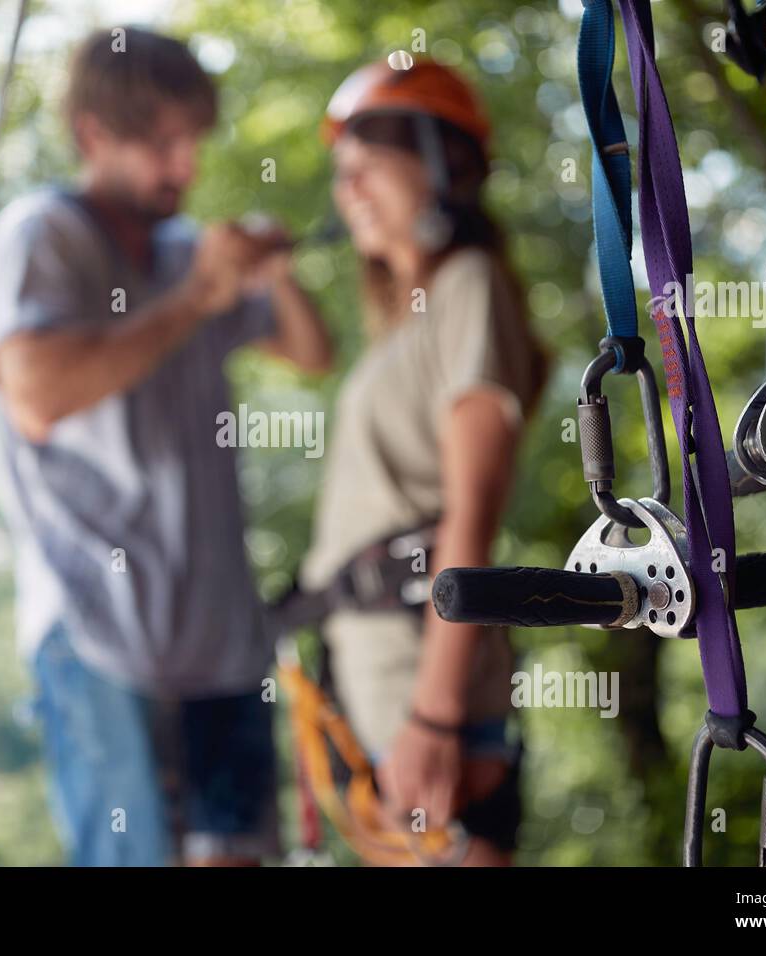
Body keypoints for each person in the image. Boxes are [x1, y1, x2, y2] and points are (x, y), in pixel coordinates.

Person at [0, 26, 332, 867]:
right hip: (99, 633)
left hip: (222, 637)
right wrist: (197, 299)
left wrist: (271, 269)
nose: (186, 168)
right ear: (93, 135)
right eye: (164, 144)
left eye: (193, 144)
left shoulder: (183, 249)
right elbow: (36, 391)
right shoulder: (42, 235)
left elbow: (313, 353)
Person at [298, 59, 549, 865]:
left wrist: (436, 715)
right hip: (375, 672)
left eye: (369, 167)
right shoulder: (405, 324)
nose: (350, 192)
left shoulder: (468, 287)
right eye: (342, 177)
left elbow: (468, 516)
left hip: (423, 678)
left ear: (440, 167)